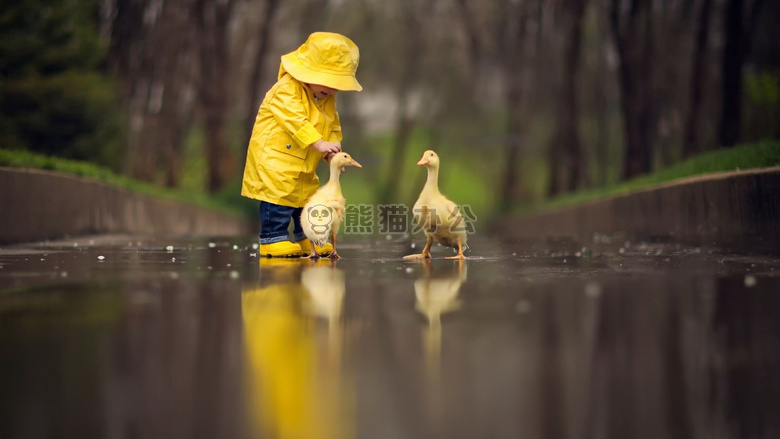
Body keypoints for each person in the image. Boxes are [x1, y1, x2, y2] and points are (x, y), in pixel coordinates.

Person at [241, 32, 362, 257]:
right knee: (278, 198)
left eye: (338, 85)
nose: (333, 89)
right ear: (307, 71)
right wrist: (317, 142)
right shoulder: (285, 89)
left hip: (305, 161)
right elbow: (294, 119)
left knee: (307, 201)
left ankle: (308, 238)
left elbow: (333, 126)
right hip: (276, 160)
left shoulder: (325, 98)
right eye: (328, 82)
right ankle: (272, 238)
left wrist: (331, 153)